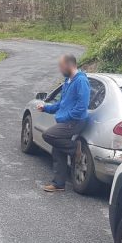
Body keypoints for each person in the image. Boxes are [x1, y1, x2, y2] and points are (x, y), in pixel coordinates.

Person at [37, 54, 90, 192]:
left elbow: (82, 106)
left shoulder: (81, 81)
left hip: (76, 120)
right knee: (57, 149)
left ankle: (75, 148)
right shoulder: (68, 81)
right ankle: (59, 184)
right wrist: (46, 108)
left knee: (48, 135)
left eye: (61, 66)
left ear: (69, 65)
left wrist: (66, 117)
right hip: (67, 119)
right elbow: (62, 103)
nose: (60, 69)